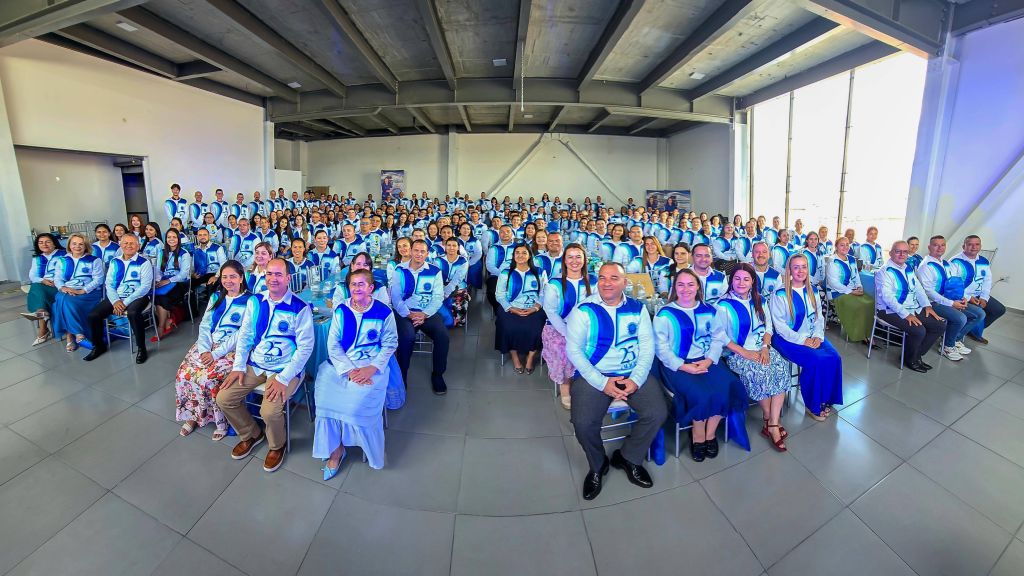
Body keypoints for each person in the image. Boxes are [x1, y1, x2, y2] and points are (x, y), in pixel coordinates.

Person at [566, 262, 666, 501]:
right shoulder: (583, 310)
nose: (606, 283)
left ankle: (629, 457)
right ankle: (598, 465)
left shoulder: (637, 308)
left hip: (631, 372)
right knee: (583, 423)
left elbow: (647, 347)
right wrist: (603, 383)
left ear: (625, 283)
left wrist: (636, 379)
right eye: (602, 278)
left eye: (613, 278)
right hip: (595, 374)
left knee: (657, 413)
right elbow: (573, 351)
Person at [217, 258, 314, 473]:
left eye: (279, 274)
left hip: (284, 368)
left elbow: (305, 349)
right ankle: (251, 433)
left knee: (269, 411)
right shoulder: (255, 301)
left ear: (288, 278)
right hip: (256, 364)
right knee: (224, 398)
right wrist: (238, 366)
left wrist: (283, 378)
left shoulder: (300, 308)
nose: (273, 279)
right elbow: (245, 336)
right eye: (269, 274)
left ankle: (277, 446)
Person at [313, 269, 398, 478]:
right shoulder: (341, 310)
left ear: (371, 288)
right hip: (342, 367)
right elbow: (333, 345)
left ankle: (363, 444)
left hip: (372, 368)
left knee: (354, 406)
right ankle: (336, 450)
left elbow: (390, 343)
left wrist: (372, 368)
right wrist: (349, 370)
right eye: (353, 284)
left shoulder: (384, 312)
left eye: (361, 284)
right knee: (324, 402)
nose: (357, 288)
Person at [655, 268, 746, 462]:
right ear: (674, 287)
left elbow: (718, 338)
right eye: (680, 284)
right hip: (678, 365)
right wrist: (683, 366)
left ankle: (710, 433)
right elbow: (661, 349)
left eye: (690, 284)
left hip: (707, 360)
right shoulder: (665, 314)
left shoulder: (709, 310)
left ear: (698, 286)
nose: (686, 289)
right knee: (701, 394)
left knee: (728, 386)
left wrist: (709, 360)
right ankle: (697, 435)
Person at [715, 264, 790, 451]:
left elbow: (768, 327)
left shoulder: (759, 299)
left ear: (752, 282)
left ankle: (771, 422)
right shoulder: (723, 304)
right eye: (737, 278)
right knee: (761, 373)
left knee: (781, 367)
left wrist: (765, 347)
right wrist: (744, 352)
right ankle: (770, 420)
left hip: (761, 348)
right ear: (731, 280)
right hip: (737, 353)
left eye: (746, 279)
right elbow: (720, 336)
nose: (741, 283)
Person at [175, 261, 252, 441]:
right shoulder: (216, 296)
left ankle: (220, 422)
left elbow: (243, 333)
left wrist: (216, 354)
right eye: (224, 277)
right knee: (183, 374)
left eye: (233, 276)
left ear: (241, 278)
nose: (228, 281)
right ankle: (193, 415)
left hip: (232, 349)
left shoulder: (251, 300)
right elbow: (205, 325)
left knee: (208, 378)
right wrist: (204, 349)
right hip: (209, 344)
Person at [769, 253, 843, 421]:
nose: (800, 271)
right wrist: (803, 340)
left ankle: (827, 398)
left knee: (834, 357)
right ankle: (812, 405)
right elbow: (780, 327)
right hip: (787, 339)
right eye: (796, 267)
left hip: (812, 335)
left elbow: (819, 317)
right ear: (789, 270)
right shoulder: (780, 294)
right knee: (815, 361)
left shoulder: (813, 290)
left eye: (804, 267)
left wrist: (817, 336)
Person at [875, 241, 946, 373]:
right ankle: (910, 359)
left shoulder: (908, 268)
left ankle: (915, 355)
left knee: (939, 325)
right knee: (919, 330)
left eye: (905, 252)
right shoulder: (884, 272)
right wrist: (906, 314)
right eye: (898, 251)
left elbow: (918, 289)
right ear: (890, 253)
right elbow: (887, 298)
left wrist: (927, 305)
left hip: (911, 307)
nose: (902, 254)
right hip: (889, 310)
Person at [390, 239, 450, 395]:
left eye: (422, 251)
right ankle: (402, 377)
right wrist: (409, 314)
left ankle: (438, 375)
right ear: (411, 251)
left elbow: (438, 297)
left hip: (426, 312)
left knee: (443, 336)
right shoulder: (399, 270)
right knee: (407, 337)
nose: (419, 254)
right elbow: (395, 297)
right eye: (416, 250)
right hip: (405, 312)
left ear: (427, 253)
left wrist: (424, 314)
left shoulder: (435, 271)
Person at [84, 234, 154, 364]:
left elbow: (144, 287)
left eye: (132, 243)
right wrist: (116, 300)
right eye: (125, 243)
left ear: (138, 246)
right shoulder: (114, 262)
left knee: (133, 313)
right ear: (120, 245)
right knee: (93, 316)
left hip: (138, 296)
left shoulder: (144, 262)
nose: (128, 246)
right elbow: (109, 284)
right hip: (117, 296)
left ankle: (141, 348)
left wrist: (125, 302)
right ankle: (98, 346)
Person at [542, 244, 594, 410]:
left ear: (585, 259)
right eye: (570, 257)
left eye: (578, 257)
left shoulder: (593, 281)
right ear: (564, 260)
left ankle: (592, 385)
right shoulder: (555, 283)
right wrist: (568, 333)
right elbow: (550, 311)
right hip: (559, 328)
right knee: (564, 352)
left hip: (588, 329)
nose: (574, 261)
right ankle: (566, 388)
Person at [916, 235, 980, 361]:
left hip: (949, 300)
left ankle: (954, 339)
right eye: (936, 245)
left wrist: (962, 298)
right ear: (929, 247)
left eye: (943, 245)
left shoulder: (946, 264)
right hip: (932, 303)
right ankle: (947, 346)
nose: (940, 248)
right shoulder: (926, 266)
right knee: (960, 318)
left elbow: (954, 284)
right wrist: (951, 303)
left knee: (978, 314)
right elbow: (928, 292)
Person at [496, 244, 547, 374]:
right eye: (517, 253)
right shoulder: (506, 272)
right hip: (511, 307)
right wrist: (511, 308)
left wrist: (535, 308)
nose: (520, 255)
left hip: (534, 308)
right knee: (508, 328)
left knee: (536, 329)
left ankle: (530, 357)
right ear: (513, 256)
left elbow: (544, 293)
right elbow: (500, 295)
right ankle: (514, 356)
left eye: (524, 253)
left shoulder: (539, 272)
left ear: (530, 256)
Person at [51, 234, 104, 352]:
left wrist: (81, 291)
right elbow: (57, 278)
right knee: (63, 298)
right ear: (69, 245)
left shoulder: (94, 260)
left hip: (89, 293)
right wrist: (63, 288)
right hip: (67, 290)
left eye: (81, 244)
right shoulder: (62, 260)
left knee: (60, 302)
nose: (77, 246)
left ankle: (70, 336)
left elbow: (98, 280)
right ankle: (78, 334)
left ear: (86, 246)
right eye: (74, 243)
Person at [950, 235, 1005, 344]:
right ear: (964, 246)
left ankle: (971, 329)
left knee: (999, 309)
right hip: (962, 296)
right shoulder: (955, 261)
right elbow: (953, 285)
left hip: (979, 295)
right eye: (970, 244)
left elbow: (987, 281)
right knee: (979, 312)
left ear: (980, 246)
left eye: (977, 244)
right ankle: (959, 337)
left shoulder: (984, 261)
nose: (974, 247)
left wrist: (984, 297)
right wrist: (969, 298)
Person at [825, 236, 874, 345]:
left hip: (852, 290)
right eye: (842, 245)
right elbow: (833, 283)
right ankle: (857, 334)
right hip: (837, 292)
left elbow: (856, 276)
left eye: (847, 244)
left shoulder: (851, 259)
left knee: (870, 302)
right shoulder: (833, 261)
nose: (845, 247)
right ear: (836, 247)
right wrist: (851, 291)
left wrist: (859, 286)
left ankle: (867, 333)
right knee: (858, 305)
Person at [22, 233, 66, 346]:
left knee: (37, 289)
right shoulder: (37, 258)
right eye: (41, 242)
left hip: (59, 286)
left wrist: (57, 282)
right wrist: (43, 280)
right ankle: (42, 313)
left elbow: (69, 272)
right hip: (44, 284)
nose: (44, 244)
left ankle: (42, 328)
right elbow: (32, 276)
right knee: (37, 286)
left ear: (54, 243)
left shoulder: (64, 254)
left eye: (47, 242)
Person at [153, 228, 193, 338]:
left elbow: (183, 274)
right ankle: (168, 321)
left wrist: (168, 281)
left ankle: (161, 327)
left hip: (180, 283)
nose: (171, 239)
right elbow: (158, 270)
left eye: (174, 237)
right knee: (154, 296)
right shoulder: (162, 252)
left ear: (178, 239)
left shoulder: (184, 253)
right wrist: (158, 280)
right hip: (164, 282)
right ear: (165, 239)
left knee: (163, 297)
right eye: (169, 237)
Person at [435, 238, 470, 327]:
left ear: (458, 248)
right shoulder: (438, 260)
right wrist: (441, 291)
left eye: (454, 245)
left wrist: (445, 294)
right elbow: (436, 278)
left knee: (459, 301)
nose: (451, 248)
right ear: (445, 247)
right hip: (440, 286)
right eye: (449, 245)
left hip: (458, 286)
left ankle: (455, 321)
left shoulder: (463, 261)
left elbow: (456, 280)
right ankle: (440, 321)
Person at [485, 225, 515, 314]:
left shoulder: (518, 247)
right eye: (502, 232)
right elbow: (489, 266)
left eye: (508, 231)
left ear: (512, 233)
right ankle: (499, 311)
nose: (505, 233)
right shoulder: (493, 248)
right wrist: (503, 275)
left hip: (515, 275)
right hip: (497, 275)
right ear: (499, 234)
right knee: (492, 291)